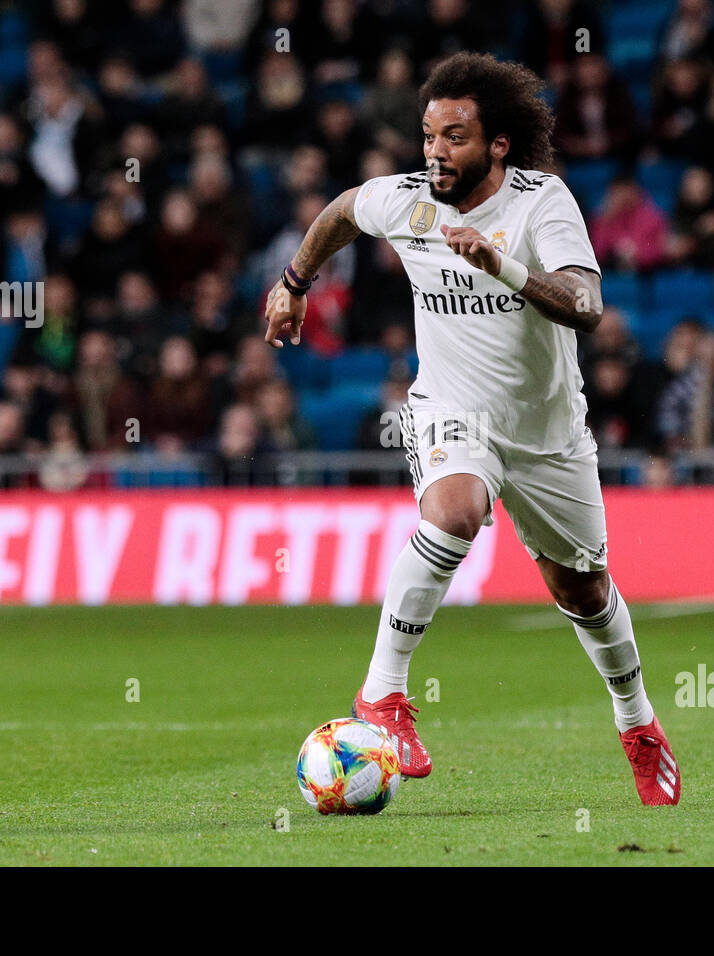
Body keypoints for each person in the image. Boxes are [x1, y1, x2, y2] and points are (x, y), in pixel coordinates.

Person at [262, 52, 680, 806]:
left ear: (497, 145)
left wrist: (501, 264)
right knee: (456, 511)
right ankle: (383, 695)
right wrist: (294, 283)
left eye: (453, 137)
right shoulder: (408, 201)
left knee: (583, 590)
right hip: (453, 409)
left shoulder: (539, 204)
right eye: (428, 135)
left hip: (547, 430)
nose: (434, 152)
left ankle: (638, 723)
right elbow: (345, 210)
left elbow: (587, 307)